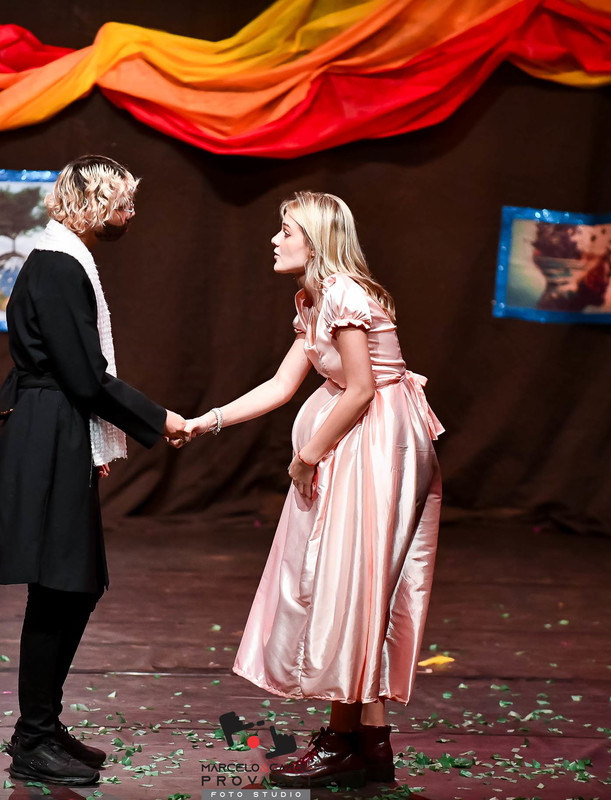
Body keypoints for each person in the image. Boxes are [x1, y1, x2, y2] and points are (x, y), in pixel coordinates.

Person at [185, 192, 443, 788]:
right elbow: (281, 386)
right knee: (348, 588)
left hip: (378, 445)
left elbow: (360, 390)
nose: (275, 240)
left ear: (317, 240)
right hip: (357, 442)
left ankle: (343, 743)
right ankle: (366, 744)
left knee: (351, 587)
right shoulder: (314, 299)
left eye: (287, 231)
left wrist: (307, 457)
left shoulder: (345, 294)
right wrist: (206, 422)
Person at [0, 155, 189, 786]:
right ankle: (33, 738)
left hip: (59, 430)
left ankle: (40, 728)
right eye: (123, 203)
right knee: (60, 586)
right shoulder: (59, 264)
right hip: (49, 432)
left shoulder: (62, 260)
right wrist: (159, 419)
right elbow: (84, 376)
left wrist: (91, 445)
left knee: (73, 584)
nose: (130, 214)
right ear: (93, 205)